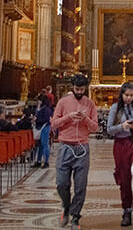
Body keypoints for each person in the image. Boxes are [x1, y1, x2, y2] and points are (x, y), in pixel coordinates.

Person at [51, 74, 97, 230]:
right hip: (65, 146)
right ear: (72, 87)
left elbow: (95, 127)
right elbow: (54, 124)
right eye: (77, 89)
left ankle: (75, 216)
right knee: (61, 183)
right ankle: (66, 205)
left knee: (80, 186)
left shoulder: (90, 103)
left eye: (82, 89)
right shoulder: (63, 102)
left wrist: (85, 119)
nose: (79, 91)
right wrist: (68, 117)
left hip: (82, 147)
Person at [107, 81, 133, 226]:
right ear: (122, 95)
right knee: (125, 178)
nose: (129, 98)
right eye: (126, 95)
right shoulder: (115, 108)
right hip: (121, 144)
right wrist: (122, 126)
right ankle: (126, 211)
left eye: (132, 95)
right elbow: (109, 129)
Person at [33, 92, 53, 168]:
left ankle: (46, 161)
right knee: (39, 145)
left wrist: (37, 120)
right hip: (39, 127)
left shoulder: (46, 109)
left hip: (44, 127)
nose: (38, 102)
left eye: (39, 100)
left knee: (45, 144)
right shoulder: (39, 108)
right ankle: (38, 161)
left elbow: (46, 119)